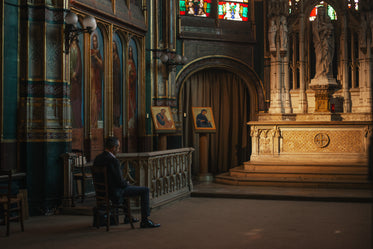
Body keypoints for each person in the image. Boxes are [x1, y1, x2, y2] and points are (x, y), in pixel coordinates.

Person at [93, 137, 160, 228]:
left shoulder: (98, 158)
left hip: (102, 192)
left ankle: (128, 217)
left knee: (126, 187)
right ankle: (145, 220)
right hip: (115, 192)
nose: (119, 150)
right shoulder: (113, 161)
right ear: (113, 148)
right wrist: (127, 183)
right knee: (145, 190)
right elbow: (120, 182)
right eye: (118, 148)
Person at [312, 6, 334, 80]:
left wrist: (326, 30)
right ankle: (319, 73)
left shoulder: (328, 21)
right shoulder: (316, 21)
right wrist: (323, 29)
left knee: (327, 58)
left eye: (323, 11)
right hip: (319, 43)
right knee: (319, 58)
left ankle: (327, 73)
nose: (321, 13)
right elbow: (315, 32)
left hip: (326, 42)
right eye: (320, 11)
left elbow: (331, 31)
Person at [91, 33, 104, 128]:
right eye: (93, 41)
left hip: (97, 78)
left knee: (98, 99)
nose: (94, 42)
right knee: (92, 100)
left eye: (96, 41)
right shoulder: (90, 52)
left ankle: (97, 121)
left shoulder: (98, 53)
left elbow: (102, 66)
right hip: (91, 79)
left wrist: (96, 58)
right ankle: (92, 122)